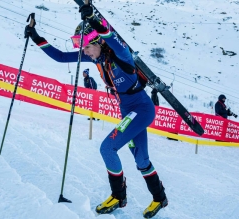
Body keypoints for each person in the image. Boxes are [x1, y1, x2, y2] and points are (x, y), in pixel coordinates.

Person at [25, 4, 167, 218]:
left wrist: (94, 19)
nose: (84, 51)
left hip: (141, 109)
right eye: (80, 47)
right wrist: (36, 37)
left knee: (107, 148)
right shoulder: (96, 58)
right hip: (128, 112)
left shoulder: (121, 54)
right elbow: (61, 57)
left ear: (98, 42)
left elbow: (111, 37)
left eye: (86, 46)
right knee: (141, 160)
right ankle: (159, 198)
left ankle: (118, 196)